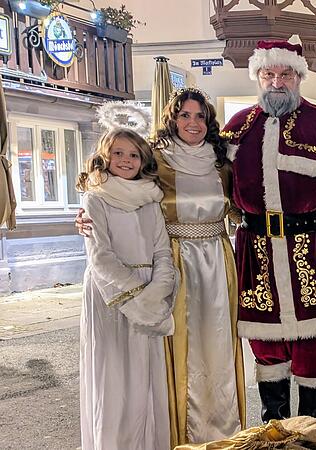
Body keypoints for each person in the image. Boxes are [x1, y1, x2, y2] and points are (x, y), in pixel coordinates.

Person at [77, 89, 247, 446]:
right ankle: (178, 435)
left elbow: (242, 206)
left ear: (209, 121)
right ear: (172, 118)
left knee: (218, 348)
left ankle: (224, 434)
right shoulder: (158, 159)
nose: (193, 123)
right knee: (176, 349)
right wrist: (82, 216)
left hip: (218, 260)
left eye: (200, 116)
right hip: (175, 259)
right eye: (184, 115)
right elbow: (120, 188)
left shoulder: (223, 163)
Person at [222, 40, 316, 422]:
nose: (276, 82)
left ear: (298, 77)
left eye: (284, 74)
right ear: (258, 76)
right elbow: (198, 177)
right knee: (266, 343)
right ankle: (274, 429)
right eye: (268, 75)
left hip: (314, 252)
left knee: (315, 346)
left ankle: (312, 432)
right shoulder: (238, 128)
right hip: (257, 253)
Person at [78, 127, 176, 450]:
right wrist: (137, 296)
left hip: (149, 296)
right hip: (111, 298)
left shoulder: (150, 201)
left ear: (143, 160)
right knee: (114, 378)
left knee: (145, 379)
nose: (125, 160)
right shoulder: (96, 199)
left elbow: (162, 252)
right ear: (105, 156)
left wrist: (157, 291)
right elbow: (100, 257)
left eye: (133, 154)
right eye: (118, 153)